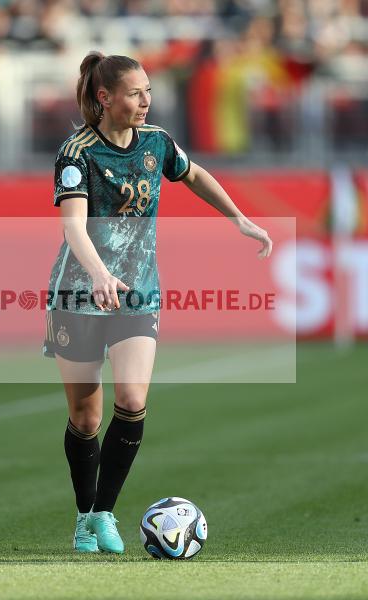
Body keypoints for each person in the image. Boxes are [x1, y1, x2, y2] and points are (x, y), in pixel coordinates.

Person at [43, 51, 273, 554]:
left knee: (132, 401)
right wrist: (99, 274)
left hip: (139, 293)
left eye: (148, 90)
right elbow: (73, 226)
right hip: (80, 294)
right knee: (86, 418)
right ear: (105, 98)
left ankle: (104, 514)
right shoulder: (77, 153)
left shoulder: (157, 143)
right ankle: (83, 518)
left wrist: (238, 218)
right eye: (135, 93)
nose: (146, 100)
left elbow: (194, 174)